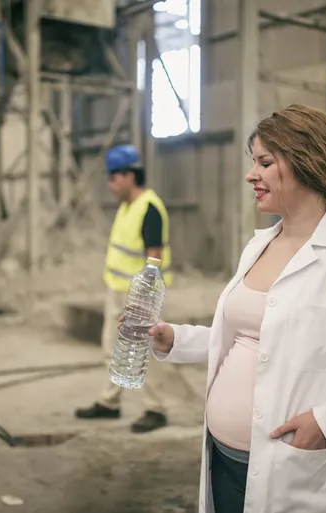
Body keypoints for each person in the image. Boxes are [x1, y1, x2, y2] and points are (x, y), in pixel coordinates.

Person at [147, 104, 326, 513]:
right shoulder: (258, 246)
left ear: (306, 164)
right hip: (223, 455)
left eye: (265, 162)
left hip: (296, 470)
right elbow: (255, 339)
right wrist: (176, 338)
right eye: (254, 163)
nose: (252, 175)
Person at [74, 144, 179, 433]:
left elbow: (154, 254)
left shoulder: (150, 208)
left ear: (130, 175)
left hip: (140, 296)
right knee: (112, 348)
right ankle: (110, 402)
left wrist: (146, 297)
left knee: (148, 351)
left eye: (114, 177)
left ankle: (156, 409)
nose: (110, 184)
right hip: (118, 291)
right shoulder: (126, 207)